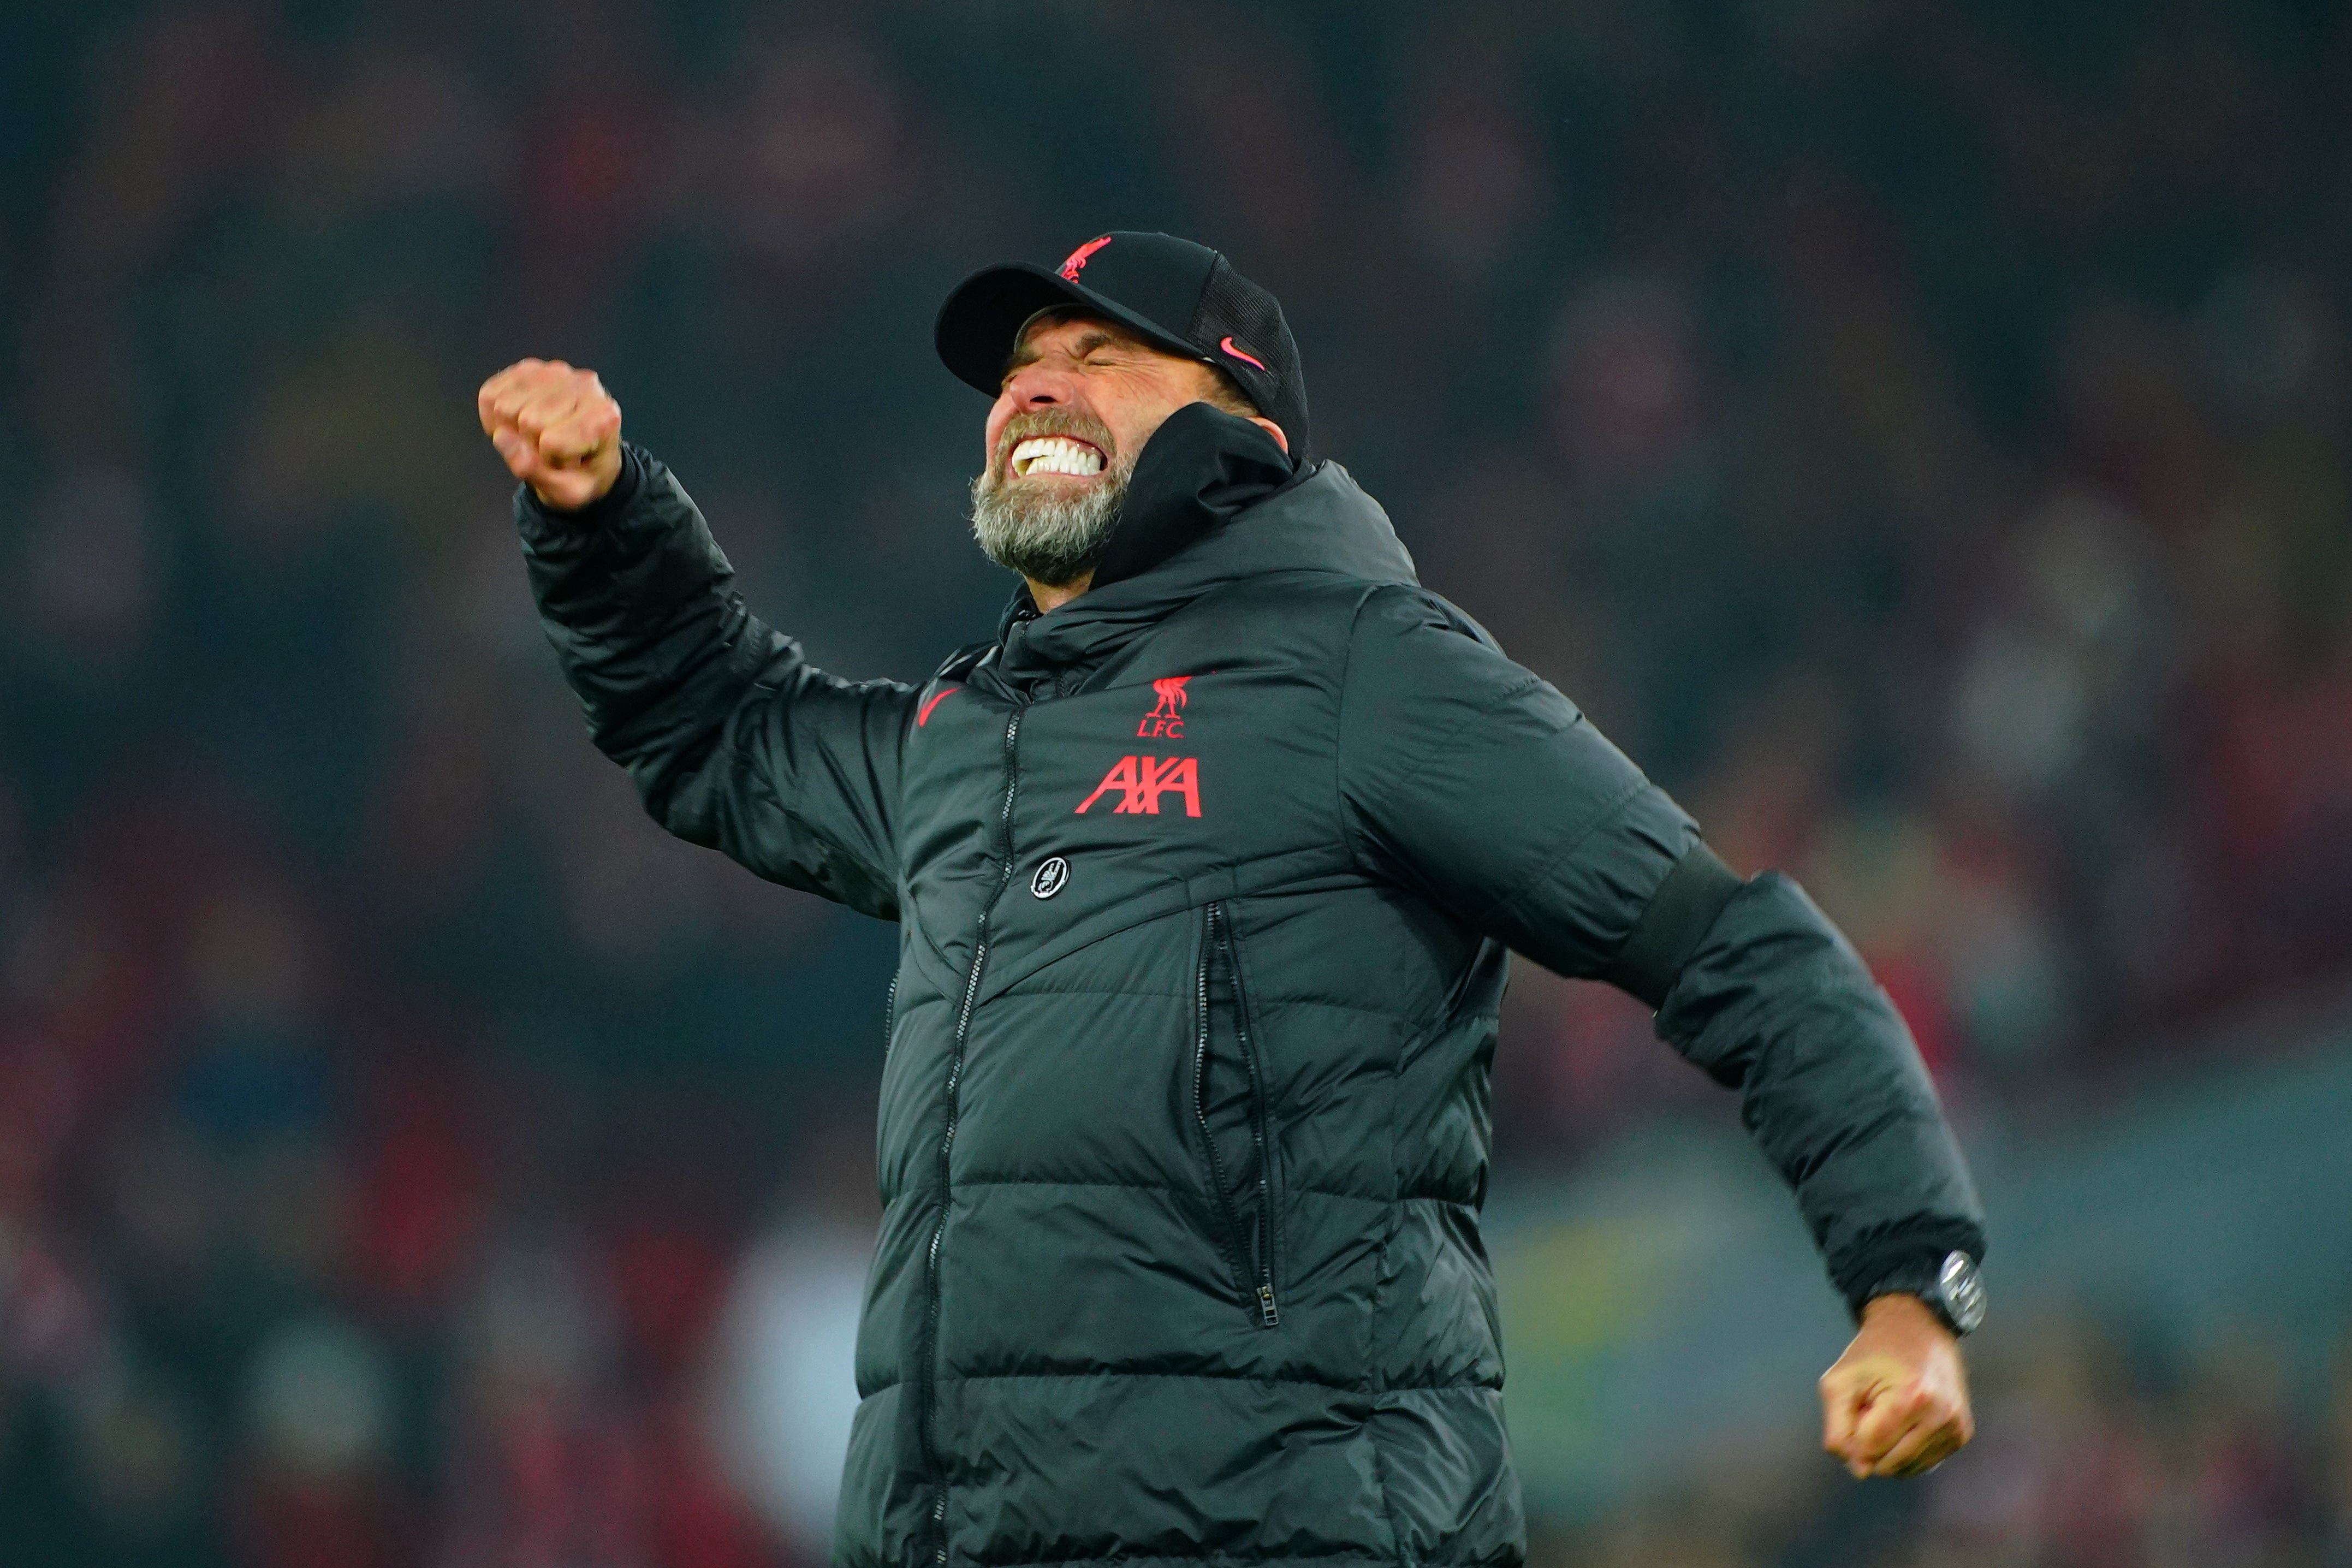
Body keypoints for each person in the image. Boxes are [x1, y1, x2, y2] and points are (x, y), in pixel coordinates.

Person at [480, 231, 1987, 1568]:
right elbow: (718, 731)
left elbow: (1724, 946)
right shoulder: (967, 741)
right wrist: (602, 514)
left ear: (1240, 424)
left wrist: (1906, 1283)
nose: (1030, 391)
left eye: (1096, 358)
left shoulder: (1367, 670)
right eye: (1016, 372)